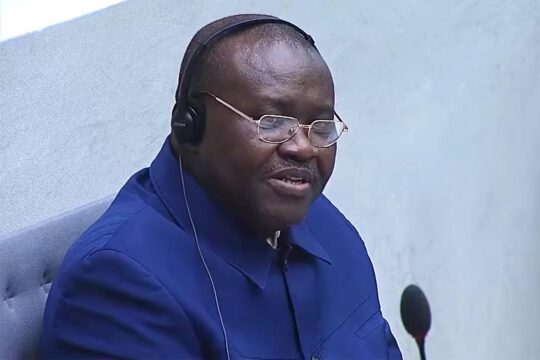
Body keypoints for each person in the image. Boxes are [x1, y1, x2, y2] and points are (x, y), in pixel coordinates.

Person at [41, 14, 401, 359]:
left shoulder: (326, 225)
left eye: (321, 126)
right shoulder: (117, 286)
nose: (304, 147)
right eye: (272, 122)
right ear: (189, 127)